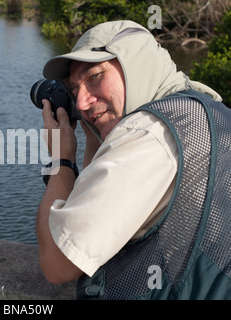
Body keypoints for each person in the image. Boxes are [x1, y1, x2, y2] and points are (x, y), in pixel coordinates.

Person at [36, 20, 230, 299]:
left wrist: (61, 161)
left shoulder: (147, 133)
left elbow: (57, 263)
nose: (80, 103)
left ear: (135, 65)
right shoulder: (204, 109)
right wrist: (95, 135)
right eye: (76, 91)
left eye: (95, 77)